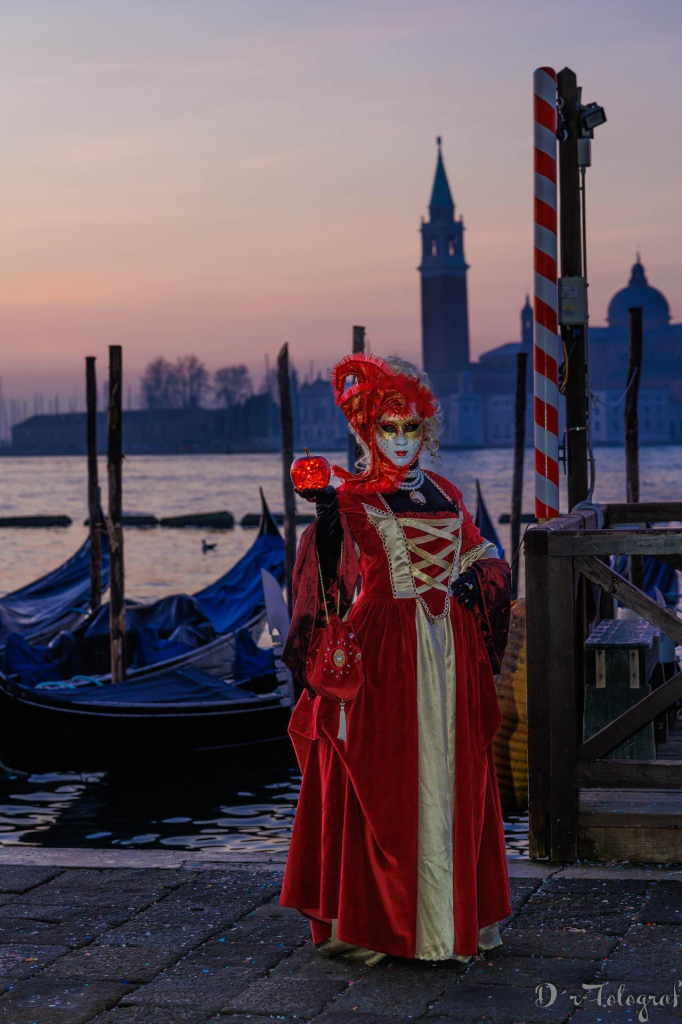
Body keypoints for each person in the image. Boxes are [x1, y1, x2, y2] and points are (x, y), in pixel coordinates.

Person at [279, 352, 512, 966]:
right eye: (389, 428)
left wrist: (478, 577)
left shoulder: (447, 492)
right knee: (382, 781)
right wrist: (326, 519)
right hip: (383, 652)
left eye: (411, 428)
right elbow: (325, 583)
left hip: (451, 651)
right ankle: (379, 923)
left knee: (453, 773)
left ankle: (447, 921)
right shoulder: (352, 498)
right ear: (367, 431)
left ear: (426, 429)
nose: (402, 440)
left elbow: (485, 553)